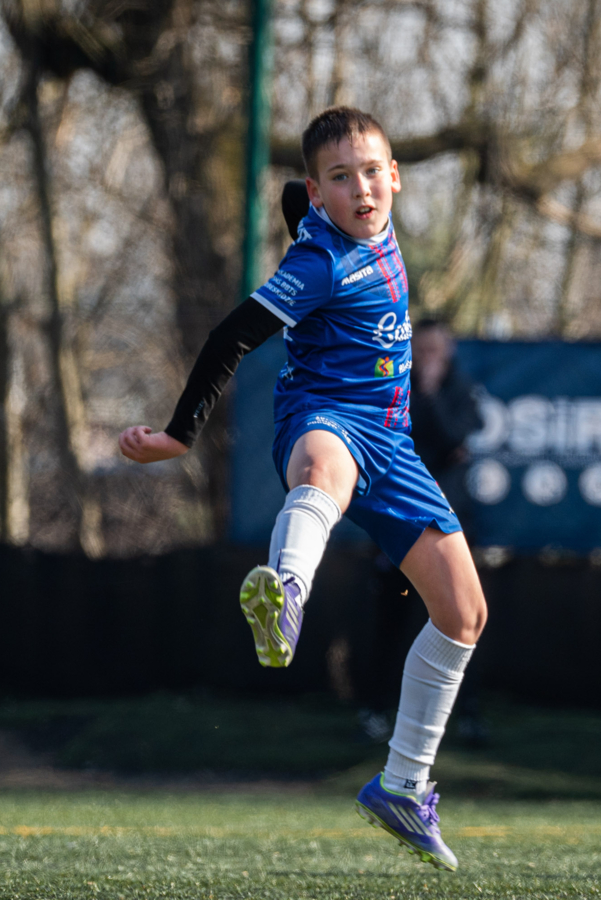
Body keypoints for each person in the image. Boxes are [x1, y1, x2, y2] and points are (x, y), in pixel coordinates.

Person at [118, 107, 487, 871]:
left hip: (394, 443)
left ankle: (403, 786)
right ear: (322, 194)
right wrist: (179, 435)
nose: (362, 189)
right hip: (323, 417)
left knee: (464, 614)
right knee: (323, 472)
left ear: (395, 177)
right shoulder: (320, 265)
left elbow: (296, 193)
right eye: (341, 179)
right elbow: (230, 338)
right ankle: (284, 595)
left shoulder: (360, 215)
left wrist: (304, 201)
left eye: (371, 172)